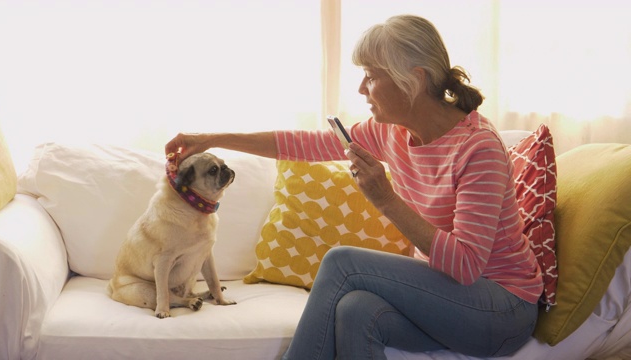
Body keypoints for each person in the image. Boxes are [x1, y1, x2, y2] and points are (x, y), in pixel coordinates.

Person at [165, 14, 542, 359]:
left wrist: (386, 200)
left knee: (342, 262)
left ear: (415, 78)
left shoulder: (478, 148)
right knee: (356, 310)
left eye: (372, 75)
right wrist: (211, 139)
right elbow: (302, 144)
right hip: (446, 302)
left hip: (500, 310)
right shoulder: (390, 132)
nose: (362, 87)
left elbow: (466, 266)